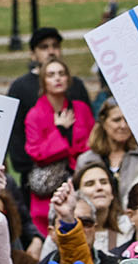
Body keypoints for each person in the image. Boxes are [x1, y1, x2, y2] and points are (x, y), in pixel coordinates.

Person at [23, 57, 94, 219]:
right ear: (43, 81)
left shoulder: (81, 109)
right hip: (49, 191)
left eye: (61, 74)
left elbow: (93, 143)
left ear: (68, 79)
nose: (57, 78)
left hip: (82, 182)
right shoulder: (34, 115)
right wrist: (60, 130)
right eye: (51, 74)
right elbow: (36, 153)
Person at [77, 100, 138, 193]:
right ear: (103, 122)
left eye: (127, 120)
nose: (123, 125)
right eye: (116, 120)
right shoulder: (86, 160)